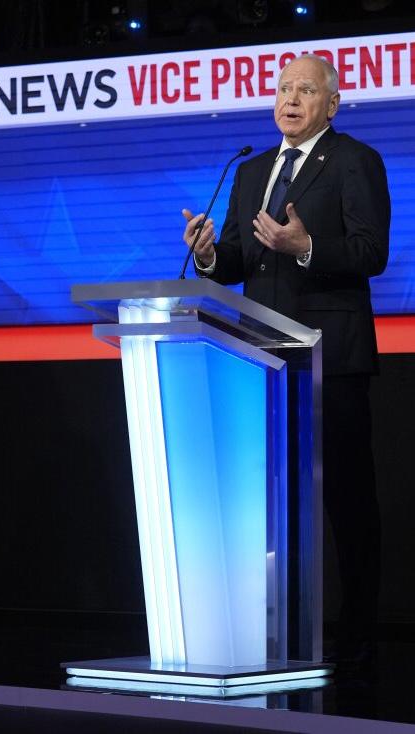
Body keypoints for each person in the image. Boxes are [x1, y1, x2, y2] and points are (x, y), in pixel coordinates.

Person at [181, 54, 390, 668]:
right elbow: (238, 260)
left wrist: (307, 247)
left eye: (305, 90)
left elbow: (371, 252)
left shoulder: (354, 160)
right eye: (282, 89)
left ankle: (359, 633)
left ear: (332, 103)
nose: (290, 100)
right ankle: (282, 628)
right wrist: (209, 254)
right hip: (263, 359)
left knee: (347, 500)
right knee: (274, 501)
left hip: (332, 358)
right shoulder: (251, 171)